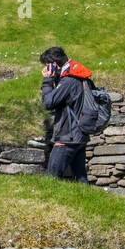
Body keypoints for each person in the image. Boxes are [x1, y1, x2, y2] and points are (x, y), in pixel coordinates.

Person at [39, 46, 92, 182]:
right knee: (80, 178)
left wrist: (48, 80)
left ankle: (50, 202)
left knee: (52, 178)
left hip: (67, 136)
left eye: (47, 66)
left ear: (54, 65)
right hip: (79, 135)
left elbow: (48, 102)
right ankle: (84, 200)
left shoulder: (68, 81)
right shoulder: (78, 76)